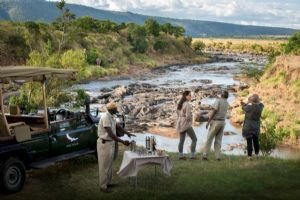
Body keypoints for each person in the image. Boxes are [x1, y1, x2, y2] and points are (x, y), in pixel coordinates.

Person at [97, 102, 135, 193]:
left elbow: (117, 126)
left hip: (110, 143)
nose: (117, 110)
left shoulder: (111, 116)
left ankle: (108, 183)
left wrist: (127, 133)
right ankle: (103, 186)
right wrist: (122, 142)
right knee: (104, 165)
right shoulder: (105, 117)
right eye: (115, 109)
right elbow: (111, 134)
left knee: (109, 164)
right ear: (111, 110)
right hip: (104, 143)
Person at [203, 91, 229, 161]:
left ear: (221, 95)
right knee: (218, 140)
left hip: (216, 122)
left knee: (209, 138)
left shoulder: (218, 101)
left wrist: (208, 122)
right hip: (223, 122)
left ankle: (205, 155)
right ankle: (218, 157)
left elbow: (214, 111)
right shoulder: (227, 103)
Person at [241, 94, 264, 160]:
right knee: (256, 141)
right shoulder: (260, 108)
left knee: (249, 142)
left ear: (251, 101)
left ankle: (249, 156)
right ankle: (257, 154)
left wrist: (248, 102)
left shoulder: (248, 107)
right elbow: (262, 104)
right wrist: (256, 101)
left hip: (248, 127)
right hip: (256, 126)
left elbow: (243, 107)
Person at [176, 91, 198, 160]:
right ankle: (192, 156)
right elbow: (188, 116)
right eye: (189, 95)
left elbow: (178, 113)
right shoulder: (187, 104)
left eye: (191, 95)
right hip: (186, 124)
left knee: (181, 140)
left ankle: (180, 156)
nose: (191, 96)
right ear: (186, 96)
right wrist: (192, 118)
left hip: (180, 123)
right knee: (194, 139)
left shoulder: (180, 103)